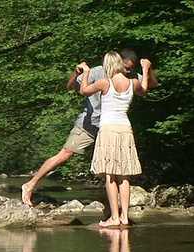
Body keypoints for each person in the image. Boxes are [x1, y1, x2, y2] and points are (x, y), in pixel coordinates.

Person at [21, 49, 158, 206]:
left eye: (131, 68)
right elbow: (71, 86)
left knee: (113, 170)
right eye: (126, 67)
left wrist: (148, 69)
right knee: (65, 154)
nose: (129, 71)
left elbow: (151, 84)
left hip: (112, 128)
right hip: (89, 124)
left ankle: (113, 210)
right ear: (118, 62)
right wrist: (76, 72)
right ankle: (30, 185)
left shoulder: (132, 76)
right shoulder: (98, 72)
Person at [79, 51, 151, 227]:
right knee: (124, 175)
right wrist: (145, 70)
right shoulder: (133, 83)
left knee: (110, 175)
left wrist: (86, 72)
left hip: (108, 129)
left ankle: (114, 217)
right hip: (125, 129)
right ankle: (125, 216)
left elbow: (84, 91)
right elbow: (144, 90)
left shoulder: (105, 82)